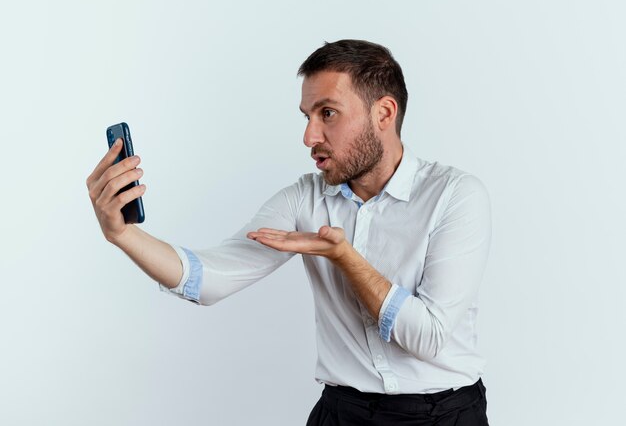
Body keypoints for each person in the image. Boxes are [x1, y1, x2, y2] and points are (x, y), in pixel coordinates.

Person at [87, 39, 491, 426]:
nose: (309, 137)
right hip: (341, 414)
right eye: (307, 116)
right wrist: (121, 234)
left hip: (445, 415)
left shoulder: (454, 196)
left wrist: (344, 257)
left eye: (327, 113)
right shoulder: (304, 199)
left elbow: (428, 336)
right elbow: (208, 279)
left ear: (384, 113)